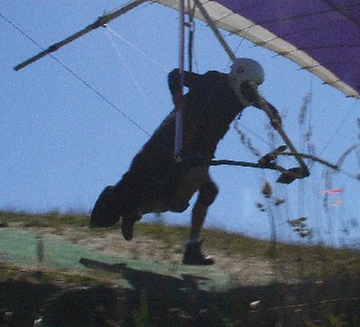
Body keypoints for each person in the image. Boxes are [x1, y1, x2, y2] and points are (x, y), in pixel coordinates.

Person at [90, 57, 273, 265]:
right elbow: (176, 75)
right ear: (239, 76)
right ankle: (108, 214)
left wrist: (272, 113)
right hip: (171, 141)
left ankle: (186, 245)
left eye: (255, 87)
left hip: (199, 153)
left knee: (189, 198)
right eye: (250, 85)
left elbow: (260, 101)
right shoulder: (214, 81)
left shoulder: (244, 97)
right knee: (135, 185)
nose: (252, 91)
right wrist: (177, 95)